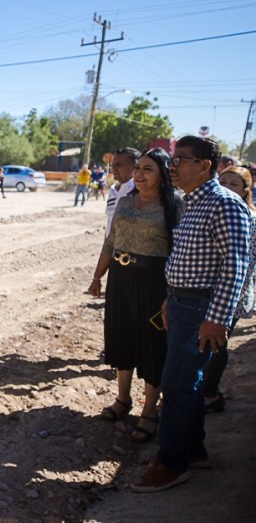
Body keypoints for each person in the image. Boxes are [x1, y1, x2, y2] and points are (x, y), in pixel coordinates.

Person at [131, 136, 250, 493]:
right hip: (184, 304)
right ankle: (193, 451)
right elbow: (188, 260)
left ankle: (171, 463)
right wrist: (171, 298)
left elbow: (235, 267)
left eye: (182, 159)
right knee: (188, 383)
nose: (174, 165)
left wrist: (217, 318)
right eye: (173, 158)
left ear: (204, 166)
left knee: (178, 385)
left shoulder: (224, 204)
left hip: (202, 309)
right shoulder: (194, 202)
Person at [88, 148, 182, 443]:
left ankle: (150, 410)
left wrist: (173, 292)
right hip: (121, 277)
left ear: (163, 174)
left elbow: (179, 251)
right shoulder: (126, 201)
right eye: (138, 168)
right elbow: (110, 241)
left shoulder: (175, 205)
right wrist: (96, 277)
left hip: (155, 282)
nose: (139, 174)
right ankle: (123, 399)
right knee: (122, 336)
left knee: (153, 344)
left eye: (148, 169)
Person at [202, 166, 256, 413]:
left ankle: (210, 392)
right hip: (207, 289)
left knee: (218, 343)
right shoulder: (212, 209)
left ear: (246, 189)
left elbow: (245, 263)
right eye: (222, 181)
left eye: (233, 184)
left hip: (233, 291)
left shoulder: (251, 218)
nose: (226, 187)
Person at [105, 147, 140, 236]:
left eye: (119, 165)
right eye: (113, 164)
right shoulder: (113, 190)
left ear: (135, 166)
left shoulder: (139, 191)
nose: (114, 169)